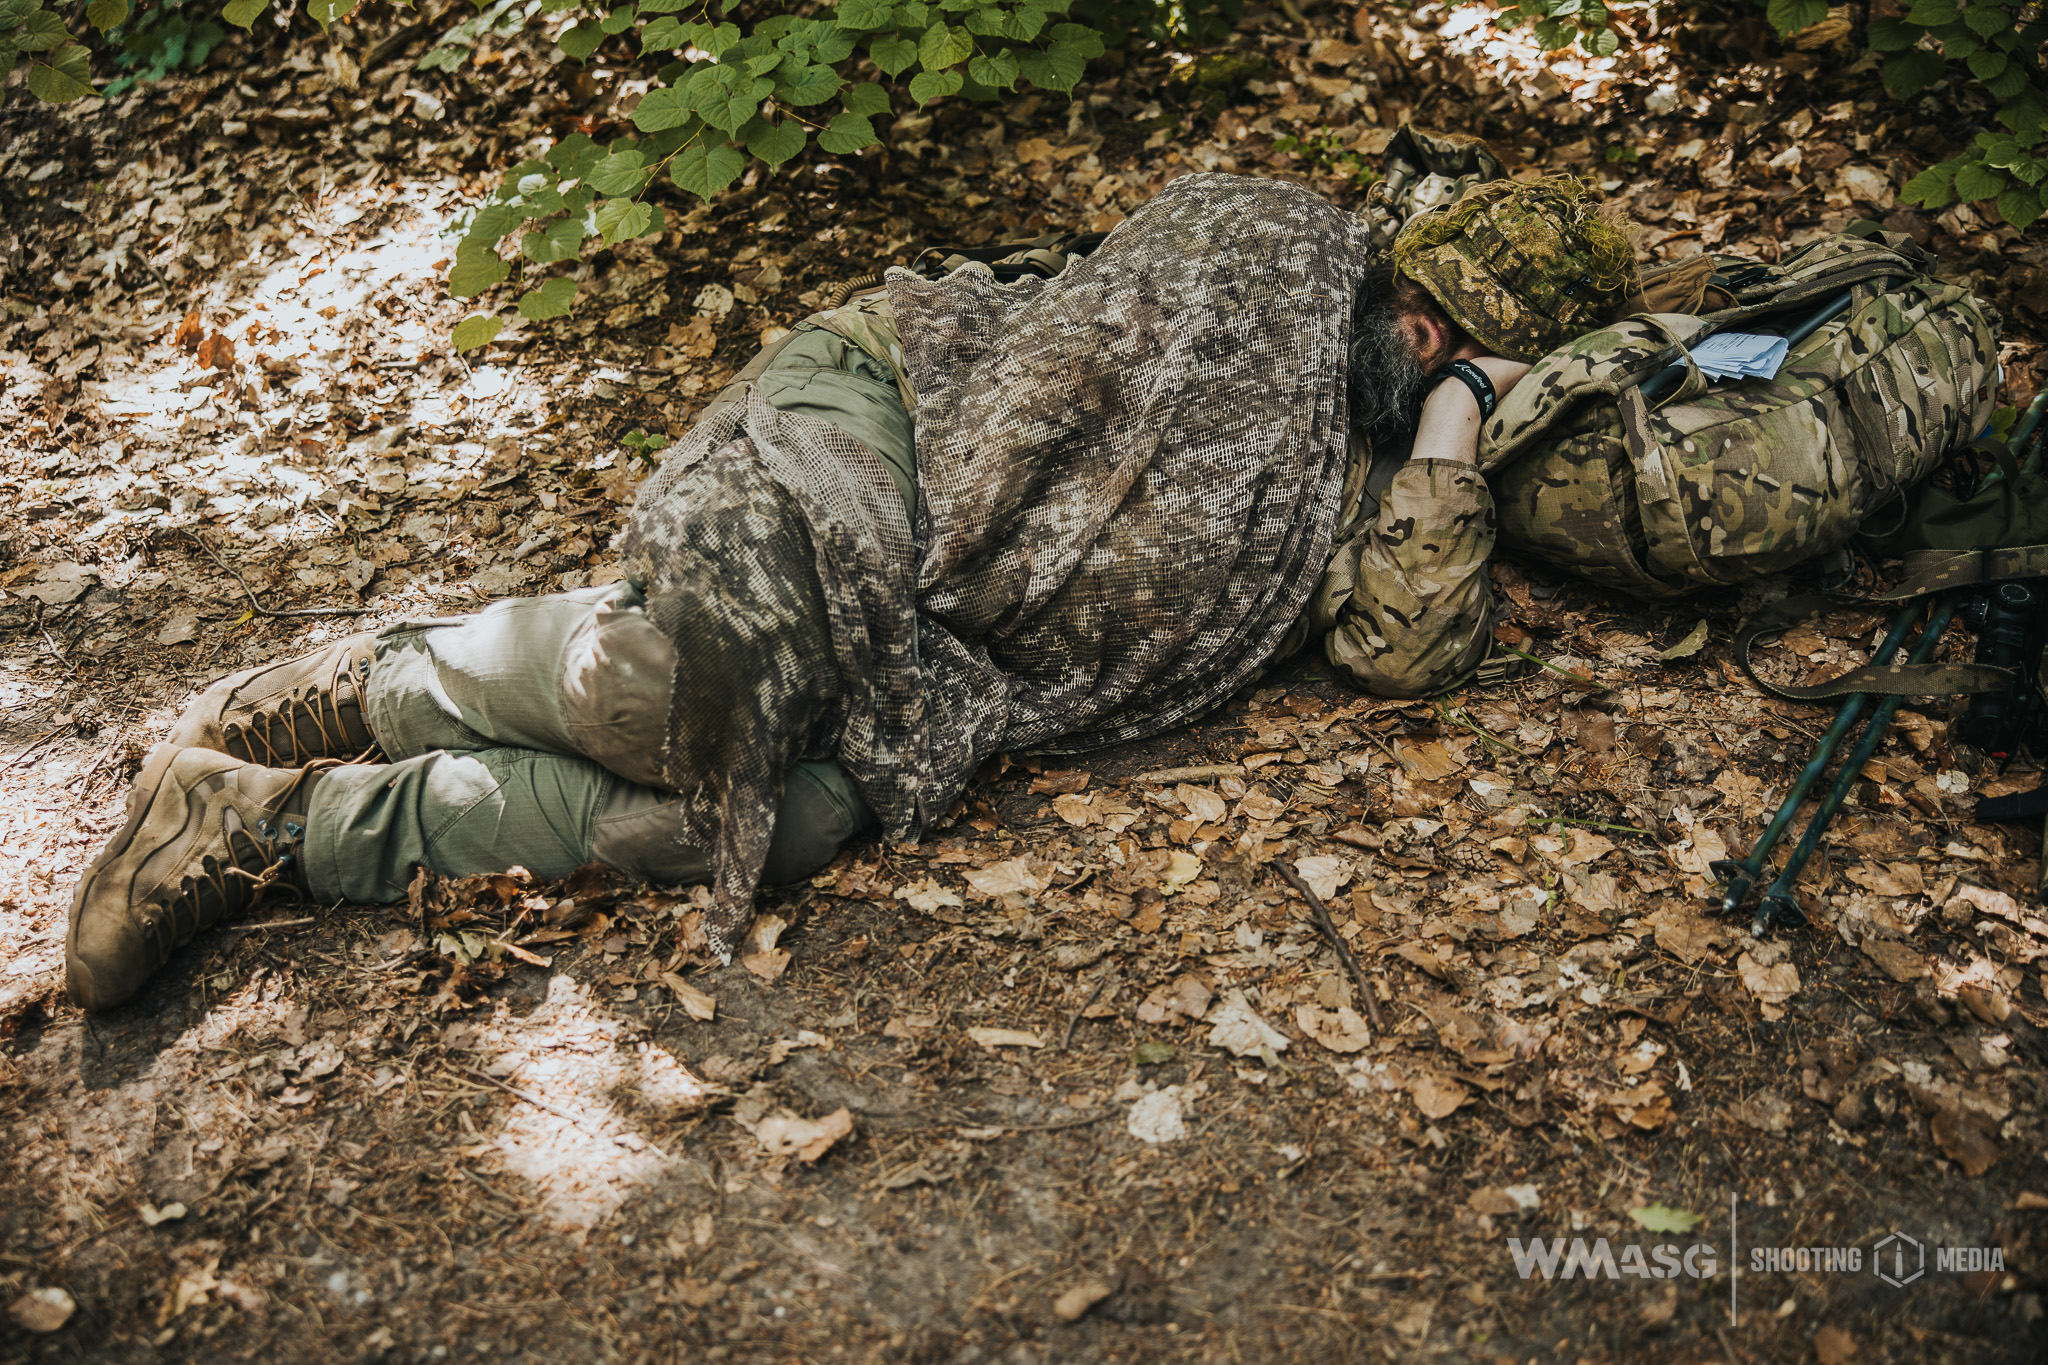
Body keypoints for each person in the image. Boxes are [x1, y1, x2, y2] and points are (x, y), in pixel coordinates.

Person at [66, 169, 1640, 1010]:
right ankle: (366, 686)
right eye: (1428, 308)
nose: (1424, 336)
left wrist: (1447, 432)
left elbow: (1403, 650)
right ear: (1406, 262)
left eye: (1466, 341)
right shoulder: (1285, 239)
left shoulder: (1375, 488)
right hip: (891, 416)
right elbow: (1086, 377)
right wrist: (927, 573)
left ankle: (266, 828)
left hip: (958, 659)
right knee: (701, 689)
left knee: (772, 816)